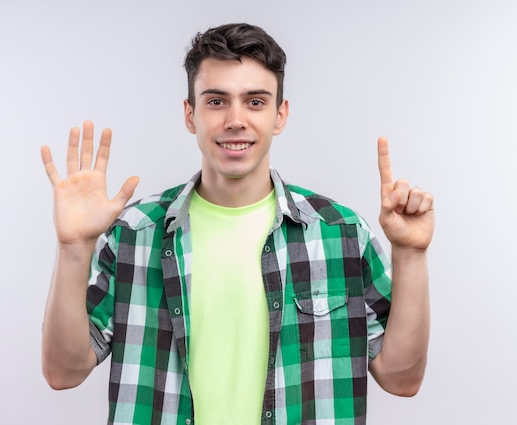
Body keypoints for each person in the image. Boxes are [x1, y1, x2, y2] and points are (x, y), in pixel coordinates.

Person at [40, 23, 434, 425]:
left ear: (280, 115)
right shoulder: (133, 234)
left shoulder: (341, 234)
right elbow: (63, 372)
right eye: (216, 102)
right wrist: (73, 249)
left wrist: (411, 254)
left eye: (255, 102)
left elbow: (401, 378)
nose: (235, 120)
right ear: (190, 114)